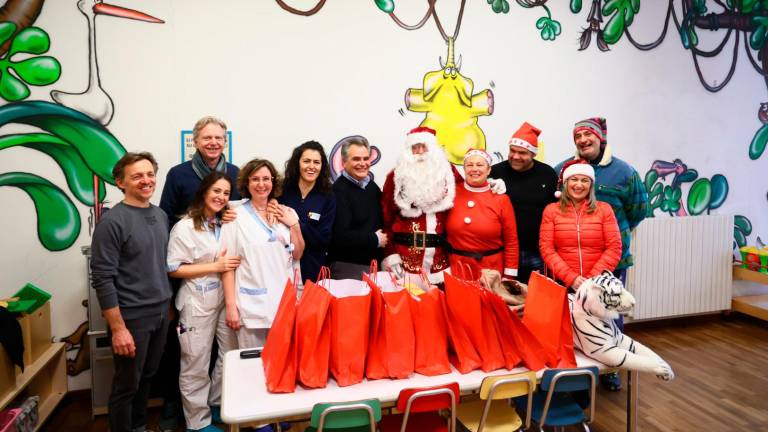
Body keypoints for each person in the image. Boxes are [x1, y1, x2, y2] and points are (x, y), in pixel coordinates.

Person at [158, 116, 240, 431]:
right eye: (207, 137)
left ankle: (219, 404)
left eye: (219, 137)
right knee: (194, 362)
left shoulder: (222, 222)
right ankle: (197, 421)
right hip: (195, 300)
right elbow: (174, 265)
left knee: (229, 353)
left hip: (224, 294)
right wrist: (215, 267)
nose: (221, 196)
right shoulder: (182, 223)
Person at [555, 117, 648, 390]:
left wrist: (613, 234)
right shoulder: (562, 169)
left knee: (609, 313)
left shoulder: (624, 172)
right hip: (572, 262)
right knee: (573, 315)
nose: (583, 140)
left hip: (612, 261)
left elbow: (638, 210)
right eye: (578, 136)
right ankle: (576, 365)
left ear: (600, 138)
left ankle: (611, 367)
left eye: (588, 135)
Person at [90, 152, 173, 432]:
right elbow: (102, 278)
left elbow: (158, 266)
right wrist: (118, 329)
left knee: (147, 378)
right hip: (132, 317)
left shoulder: (160, 215)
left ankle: (139, 427)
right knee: (127, 385)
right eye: (137, 176)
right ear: (121, 182)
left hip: (160, 312)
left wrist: (168, 306)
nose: (146, 181)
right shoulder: (113, 222)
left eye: (150, 174)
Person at [221, 159, 304, 349]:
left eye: (266, 179)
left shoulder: (286, 212)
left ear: (273, 182)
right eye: (255, 179)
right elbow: (228, 265)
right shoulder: (235, 216)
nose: (261, 184)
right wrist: (231, 306)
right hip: (251, 305)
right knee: (251, 366)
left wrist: (294, 225)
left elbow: (298, 253)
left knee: (282, 361)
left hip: (284, 303)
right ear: (246, 183)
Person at [381, 127, 458, 283]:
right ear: (409, 151)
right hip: (404, 262)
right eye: (415, 147)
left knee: (439, 305)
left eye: (425, 146)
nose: (421, 151)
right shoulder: (396, 177)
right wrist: (390, 254)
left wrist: (489, 186)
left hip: (440, 263)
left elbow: (468, 192)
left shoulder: (448, 172)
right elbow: (385, 218)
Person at [489, 121, 558, 284]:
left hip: (537, 252)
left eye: (522, 153)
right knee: (504, 298)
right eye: (512, 151)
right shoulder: (495, 172)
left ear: (533, 154)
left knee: (536, 299)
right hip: (503, 251)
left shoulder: (547, 174)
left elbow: (556, 212)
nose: (515, 156)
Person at [539, 160, 622, 290]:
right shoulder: (551, 210)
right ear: (566, 183)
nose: (579, 185)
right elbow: (547, 249)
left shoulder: (605, 209)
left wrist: (591, 279)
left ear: (591, 185)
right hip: (563, 283)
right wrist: (571, 278)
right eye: (574, 179)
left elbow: (614, 248)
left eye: (584, 180)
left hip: (597, 284)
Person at [446, 149, 519, 279]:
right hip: (457, 269)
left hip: (492, 270)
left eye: (480, 165)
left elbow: (511, 241)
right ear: (463, 168)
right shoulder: (451, 193)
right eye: (469, 165)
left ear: (489, 169)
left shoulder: (501, 199)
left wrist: (509, 276)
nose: (474, 169)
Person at [160, 116, 240, 226]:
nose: (213, 142)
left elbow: (247, 210)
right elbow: (166, 217)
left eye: (218, 138)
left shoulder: (236, 173)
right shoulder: (177, 174)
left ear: (225, 142)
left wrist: (272, 202)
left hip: (226, 240)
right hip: (189, 241)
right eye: (207, 138)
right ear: (195, 142)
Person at [277, 141, 336, 283]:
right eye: (306, 161)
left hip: (313, 270)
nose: (311, 166)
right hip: (282, 266)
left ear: (322, 166)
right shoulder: (282, 189)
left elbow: (324, 239)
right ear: (297, 163)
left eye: (316, 162)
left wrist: (296, 224)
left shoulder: (328, 195)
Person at [329, 136, 386, 279]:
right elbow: (339, 236)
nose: (362, 163)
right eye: (356, 159)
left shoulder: (372, 187)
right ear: (344, 163)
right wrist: (374, 239)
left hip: (374, 267)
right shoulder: (337, 191)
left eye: (366, 158)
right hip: (347, 268)